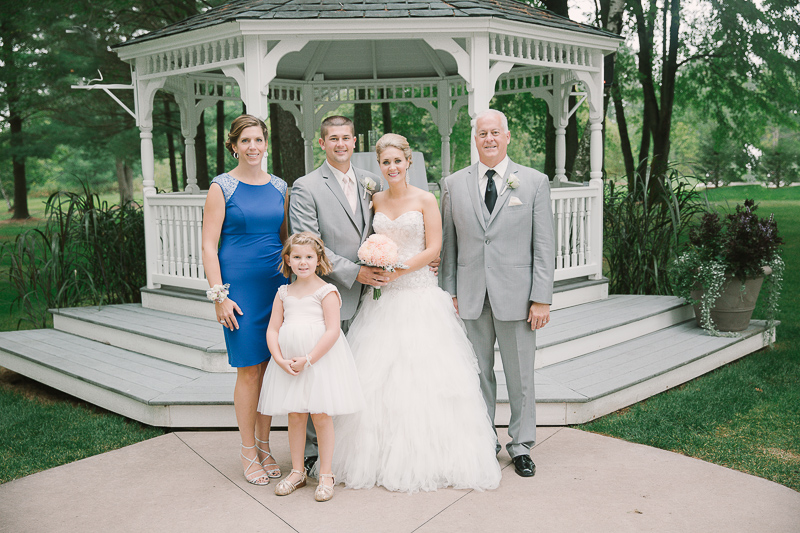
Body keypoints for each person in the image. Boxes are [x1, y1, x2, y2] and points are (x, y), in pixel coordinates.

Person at [331, 133, 502, 493]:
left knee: (425, 379)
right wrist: (375, 263)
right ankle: (378, 460)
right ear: (379, 166)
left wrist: (400, 267)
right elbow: (366, 240)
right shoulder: (374, 199)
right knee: (379, 382)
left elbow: (435, 246)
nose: (392, 168)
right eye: (385, 163)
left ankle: (437, 459)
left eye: (397, 161)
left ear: (408, 162)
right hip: (383, 300)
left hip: (419, 293)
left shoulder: (426, 199)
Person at [440, 109, 555, 478]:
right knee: (477, 374)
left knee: (520, 375)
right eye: (481, 133)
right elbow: (449, 244)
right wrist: (449, 293)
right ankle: (483, 440)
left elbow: (544, 245)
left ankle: (520, 445)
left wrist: (542, 297)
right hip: (470, 294)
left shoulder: (534, 182)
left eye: (494, 133)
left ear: (507, 136)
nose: (488, 139)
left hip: (519, 297)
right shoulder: (453, 184)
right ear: (475, 139)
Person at [289, 115, 387, 473]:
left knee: (363, 372)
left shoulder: (370, 181)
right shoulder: (306, 186)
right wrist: (355, 272)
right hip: (333, 294)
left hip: (374, 295)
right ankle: (315, 454)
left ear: (354, 140)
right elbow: (308, 246)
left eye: (346, 138)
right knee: (323, 373)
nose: (340, 144)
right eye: (333, 139)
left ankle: (353, 447)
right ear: (322, 143)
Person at [201, 114, 288, 486]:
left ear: (265, 144)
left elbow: (288, 239)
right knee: (249, 370)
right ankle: (247, 449)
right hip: (238, 292)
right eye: (246, 141)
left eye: (259, 140)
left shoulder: (281, 187)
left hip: (275, 288)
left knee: (271, 370)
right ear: (233, 146)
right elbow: (208, 244)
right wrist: (219, 296)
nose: (253, 147)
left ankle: (266, 444)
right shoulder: (222, 187)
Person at [258, 232, 364, 502]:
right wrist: (279, 358)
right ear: (288, 260)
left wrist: (309, 358)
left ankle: (326, 474)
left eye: (308, 257)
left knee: (320, 415)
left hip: (318, 362)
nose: (302, 262)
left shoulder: (326, 291)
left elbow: (332, 331)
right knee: (295, 414)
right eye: (297, 257)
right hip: (290, 362)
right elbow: (272, 329)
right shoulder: (284, 292)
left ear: (318, 260)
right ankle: (297, 471)